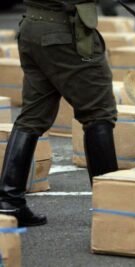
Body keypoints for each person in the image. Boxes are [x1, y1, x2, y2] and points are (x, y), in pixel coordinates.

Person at [0, 0, 119, 227]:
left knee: (33, 115)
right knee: (98, 112)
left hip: (33, 25)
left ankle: (10, 200)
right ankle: (111, 210)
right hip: (65, 32)